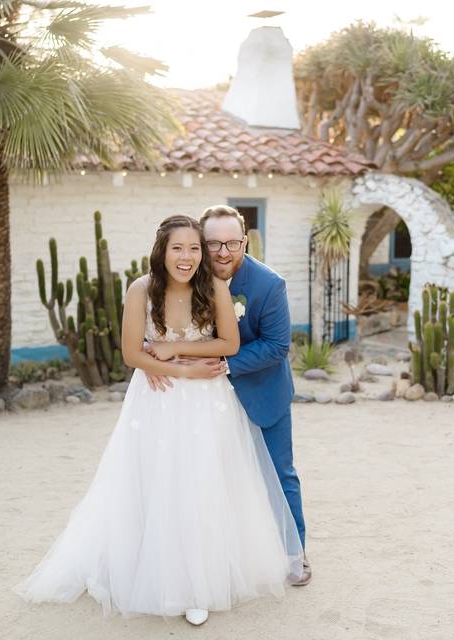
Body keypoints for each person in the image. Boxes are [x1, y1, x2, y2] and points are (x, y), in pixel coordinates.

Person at [13, 215, 303, 627]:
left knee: (205, 483)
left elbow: (230, 342)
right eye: (178, 248)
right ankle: (159, 575)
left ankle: (201, 584)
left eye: (193, 249)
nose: (187, 257)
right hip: (157, 399)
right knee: (156, 481)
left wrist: (171, 348)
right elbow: (132, 354)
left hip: (209, 403)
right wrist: (179, 368)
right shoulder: (141, 289)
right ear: (161, 251)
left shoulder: (214, 287)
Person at [145, 205, 310, 587]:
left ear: (245, 242)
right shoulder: (184, 275)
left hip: (259, 392)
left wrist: (222, 363)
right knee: (212, 479)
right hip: (200, 399)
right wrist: (150, 355)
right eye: (213, 243)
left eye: (231, 243)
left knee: (279, 475)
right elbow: (161, 321)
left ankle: (294, 553)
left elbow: (276, 346)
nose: (222, 252)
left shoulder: (269, 285)